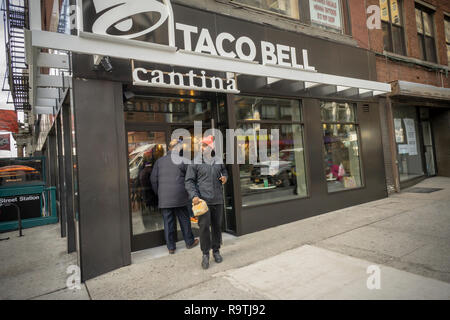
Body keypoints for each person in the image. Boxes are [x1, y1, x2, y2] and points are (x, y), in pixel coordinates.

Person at [185, 135, 228, 269]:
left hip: (217, 199)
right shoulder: (195, 162)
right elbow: (189, 181)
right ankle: (205, 254)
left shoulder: (218, 160)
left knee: (216, 227)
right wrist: (194, 196)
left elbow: (224, 171)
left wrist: (225, 177)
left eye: (205, 145)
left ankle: (216, 251)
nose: (203, 148)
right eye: (202, 145)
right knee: (204, 228)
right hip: (203, 201)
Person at [150, 139, 199, 254]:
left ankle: (171, 247)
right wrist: (192, 193)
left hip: (164, 198)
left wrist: (159, 193)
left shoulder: (159, 162)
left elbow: (153, 180)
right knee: (184, 219)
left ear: (169, 148)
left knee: (168, 222)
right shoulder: (184, 161)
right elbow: (191, 178)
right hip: (180, 196)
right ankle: (189, 242)